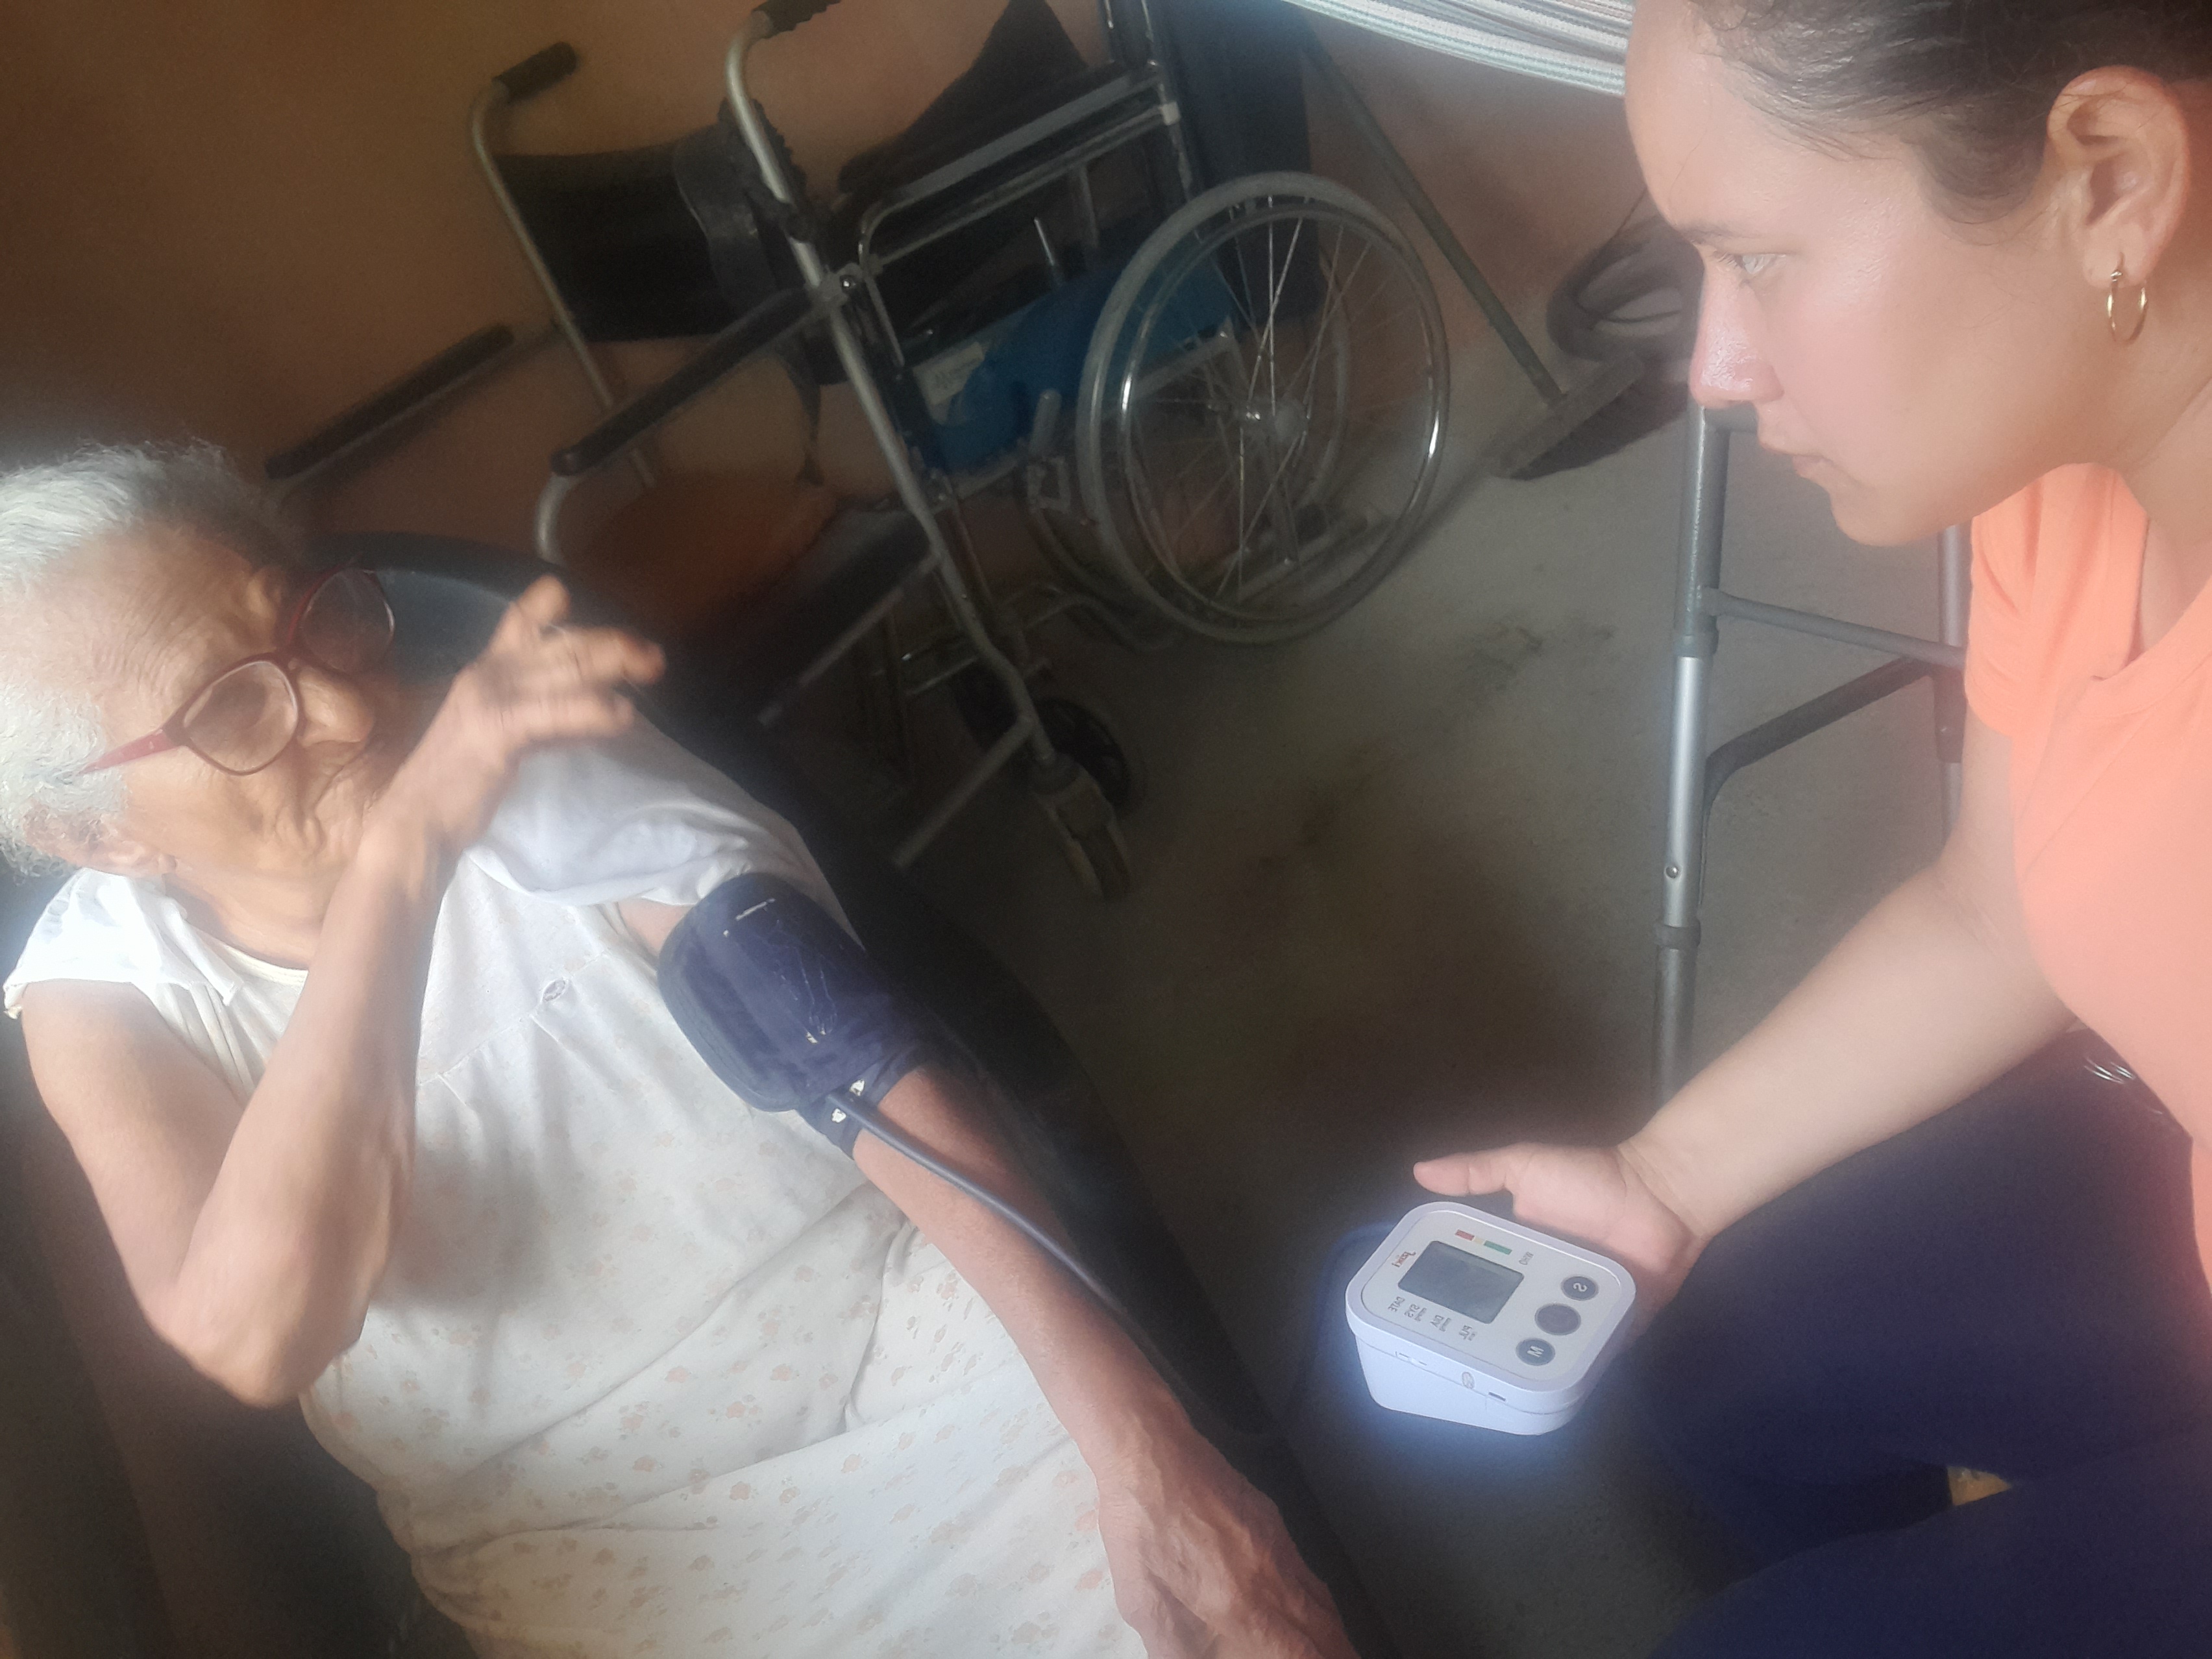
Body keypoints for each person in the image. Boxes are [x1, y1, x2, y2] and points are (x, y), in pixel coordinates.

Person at [0, 445, 1355, 1659]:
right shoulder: (106, 998)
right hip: (586, 1534)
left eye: (313, 623)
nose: (348, 713)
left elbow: (858, 1063)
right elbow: (255, 1332)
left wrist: (1145, 1451)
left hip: (892, 1331)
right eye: (232, 713)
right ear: (94, 835)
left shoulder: (521, 748)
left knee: (1228, 1617)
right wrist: (405, 856)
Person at [1413, 3, 2212, 1654]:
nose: (1712, 370)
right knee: (1703, 1348)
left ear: (2113, 181)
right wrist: (1659, 1180)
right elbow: (1998, 909)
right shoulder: (2070, 459)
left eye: (1760, 260)